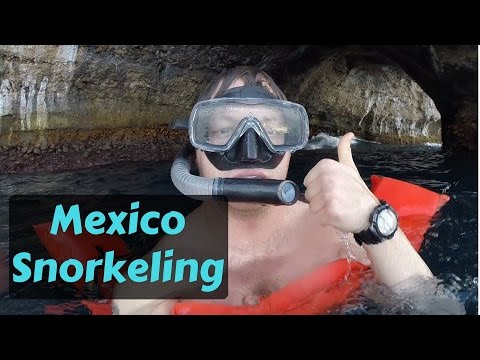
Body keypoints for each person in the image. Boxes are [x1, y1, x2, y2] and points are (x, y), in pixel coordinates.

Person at [112, 66, 438, 315]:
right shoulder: (158, 279)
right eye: (224, 130)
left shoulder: (342, 235)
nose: (250, 151)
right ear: (195, 150)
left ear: (292, 146)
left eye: (273, 130)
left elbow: (437, 307)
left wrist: (373, 219)